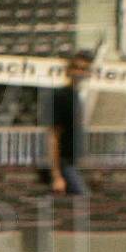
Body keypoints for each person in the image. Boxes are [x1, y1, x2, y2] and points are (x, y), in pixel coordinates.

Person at [47, 49, 94, 196]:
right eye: (76, 68)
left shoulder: (76, 97)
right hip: (64, 164)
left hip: (73, 163)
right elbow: (53, 135)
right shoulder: (61, 96)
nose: (79, 72)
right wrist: (56, 175)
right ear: (68, 70)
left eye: (83, 69)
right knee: (85, 199)